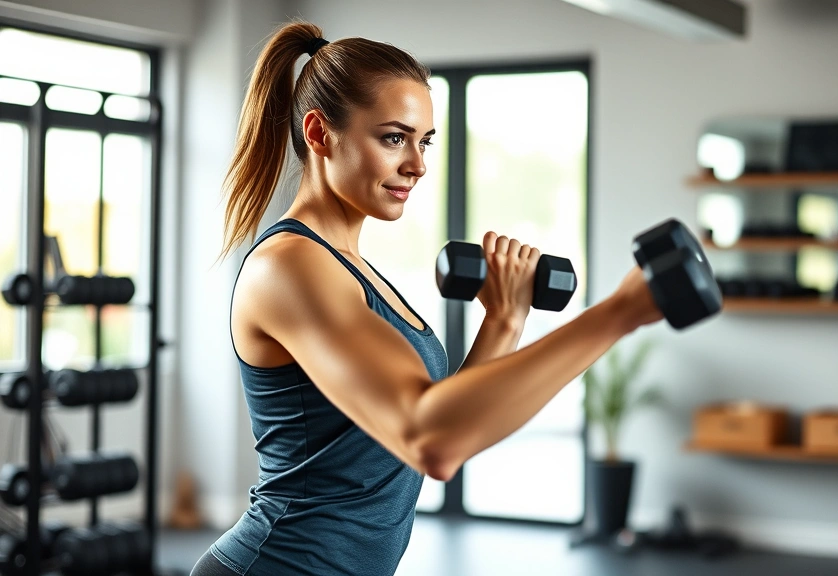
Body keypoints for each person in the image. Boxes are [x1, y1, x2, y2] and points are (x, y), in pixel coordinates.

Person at [190, 21, 662, 576]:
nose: (417, 164)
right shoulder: (289, 268)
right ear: (319, 134)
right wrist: (619, 313)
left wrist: (504, 318)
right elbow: (429, 438)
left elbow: (450, 431)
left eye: (424, 141)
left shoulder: (354, 270)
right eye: (394, 138)